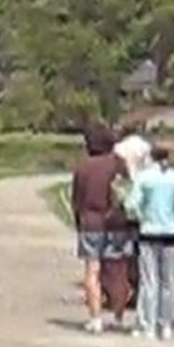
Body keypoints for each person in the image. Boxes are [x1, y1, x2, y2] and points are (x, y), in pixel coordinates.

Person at [71, 125, 132, 334]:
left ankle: (95, 317)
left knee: (92, 270)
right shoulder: (118, 165)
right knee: (118, 269)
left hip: (90, 223)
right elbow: (127, 193)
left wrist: (78, 222)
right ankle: (118, 315)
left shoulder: (83, 167)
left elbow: (76, 199)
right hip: (115, 223)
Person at [125, 144, 174, 340]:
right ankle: (167, 323)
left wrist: (141, 215)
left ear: (151, 156)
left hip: (148, 232)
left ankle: (148, 323)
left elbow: (132, 204)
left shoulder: (143, 177)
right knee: (169, 281)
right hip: (170, 232)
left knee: (148, 280)